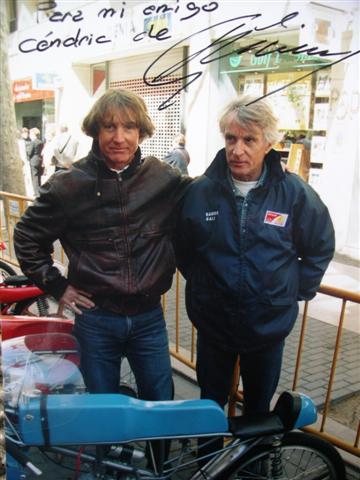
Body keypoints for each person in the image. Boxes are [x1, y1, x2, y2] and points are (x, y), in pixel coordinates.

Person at [175, 95, 335, 453]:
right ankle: (207, 461)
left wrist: (295, 289)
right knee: (210, 404)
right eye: (231, 138)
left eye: (249, 140)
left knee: (260, 409)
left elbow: (320, 246)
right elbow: (184, 249)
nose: (238, 149)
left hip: (267, 327)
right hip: (214, 326)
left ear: (268, 143)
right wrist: (204, 286)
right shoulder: (201, 192)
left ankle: (253, 464)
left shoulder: (294, 193)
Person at [14, 89, 191, 406]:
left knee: (161, 404)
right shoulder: (69, 184)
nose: (119, 137)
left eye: (128, 127)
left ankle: (157, 458)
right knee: (102, 408)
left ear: (141, 132)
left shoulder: (163, 178)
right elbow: (27, 237)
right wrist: (58, 286)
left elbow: (209, 192)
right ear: (96, 130)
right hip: (96, 319)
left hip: (149, 318)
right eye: (109, 126)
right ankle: (106, 455)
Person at [17, 127, 34, 197]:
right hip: (23, 161)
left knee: (27, 177)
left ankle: (29, 191)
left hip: (26, 161)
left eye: (27, 133)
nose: (26, 134)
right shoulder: (21, 142)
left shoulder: (27, 141)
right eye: (25, 133)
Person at [28, 127, 44, 197]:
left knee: (34, 177)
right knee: (39, 177)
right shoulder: (41, 142)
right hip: (40, 160)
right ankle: (40, 190)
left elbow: (29, 152)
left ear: (33, 134)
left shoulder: (33, 142)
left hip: (34, 160)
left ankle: (36, 193)